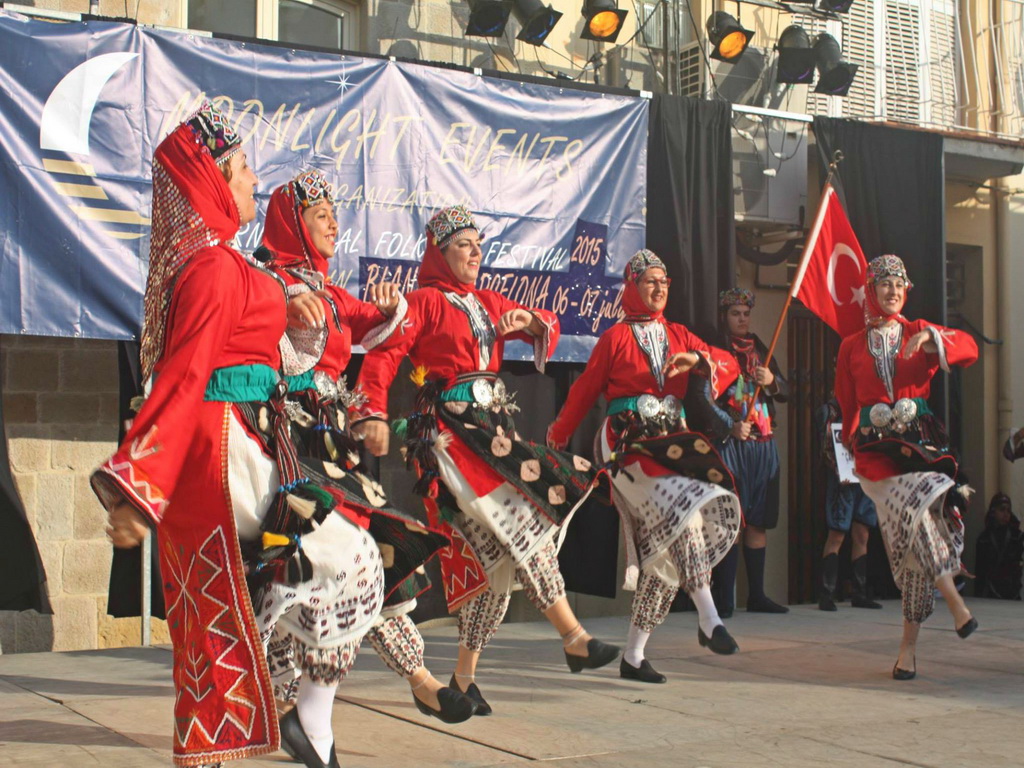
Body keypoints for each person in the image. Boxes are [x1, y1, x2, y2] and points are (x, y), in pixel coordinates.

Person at [90, 102, 385, 768]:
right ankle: (303, 710)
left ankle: (287, 699)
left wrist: (285, 309)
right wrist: (139, 488)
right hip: (224, 448)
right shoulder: (214, 268)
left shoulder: (222, 262)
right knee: (354, 559)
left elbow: (253, 352)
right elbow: (186, 372)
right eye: (244, 169)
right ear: (213, 183)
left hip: (248, 443)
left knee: (220, 645)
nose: (255, 181)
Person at [352, 205, 620, 715]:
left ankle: (465, 677)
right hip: (453, 440)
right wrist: (371, 410)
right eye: (464, 245)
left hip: (493, 433)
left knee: (495, 567)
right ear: (440, 251)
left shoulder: (486, 301)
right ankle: (574, 637)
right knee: (523, 521)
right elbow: (384, 354)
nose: (476, 253)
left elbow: (550, 323)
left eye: (479, 244)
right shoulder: (424, 302)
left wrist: (530, 320)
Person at [260, 170, 474, 725]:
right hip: (285, 443)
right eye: (319, 214)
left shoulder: (329, 294)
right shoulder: (262, 282)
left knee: (372, 552)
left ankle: (419, 678)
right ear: (292, 223)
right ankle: (293, 703)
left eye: (335, 212)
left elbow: (375, 325)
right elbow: (238, 335)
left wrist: (388, 309)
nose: (333, 222)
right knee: (306, 566)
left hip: (329, 446)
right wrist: (276, 310)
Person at [546, 249, 742, 684]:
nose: (659, 288)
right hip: (628, 447)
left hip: (672, 445)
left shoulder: (679, 334)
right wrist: (559, 432)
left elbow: (729, 365)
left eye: (664, 281)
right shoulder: (615, 338)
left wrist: (700, 362)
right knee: (683, 516)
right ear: (632, 287)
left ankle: (633, 656)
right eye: (650, 280)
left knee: (666, 553)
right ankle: (710, 618)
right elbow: (584, 389)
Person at [834, 254, 979, 681]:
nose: (893, 291)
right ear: (872, 290)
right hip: (878, 457)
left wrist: (935, 341)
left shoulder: (920, 331)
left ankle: (910, 647)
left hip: (921, 447)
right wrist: (847, 448)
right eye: (885, 285)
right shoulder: (851, 346)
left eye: (899, 285)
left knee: (919, 539)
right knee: (913, 534)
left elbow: (968, 348)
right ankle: (955, 605)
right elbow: (846, 403)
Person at [699, 289, 789, 615]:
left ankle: (757, 595)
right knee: (730, 520)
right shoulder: (715, 350)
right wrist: (729, 425)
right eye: (735, 313)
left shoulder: (761, 348)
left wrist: (773, 381)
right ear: (725, 315)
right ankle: (724, 599)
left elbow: (787, 391)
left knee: (758, 521)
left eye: (745, 313)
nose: (742, 318)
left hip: (763, 446)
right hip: (731, 445)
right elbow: (702, 397)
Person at [816, 397, 881, 611]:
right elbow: (826, 446)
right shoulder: (832, 409)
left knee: (862, 532)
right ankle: (826, 593)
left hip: (865, 476)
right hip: (842, 478)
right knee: (837, 533)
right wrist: (839, 469)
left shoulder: (873, 407)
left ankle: (859, 593)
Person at [973, 493, 1022, 600]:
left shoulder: (1017, 537)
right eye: (1002, 510)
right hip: (990, 592)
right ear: (993, 511)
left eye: (1008, 511)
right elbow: (980, 572)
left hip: (1013, 592)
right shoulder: (984, 539)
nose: (1006, 514)